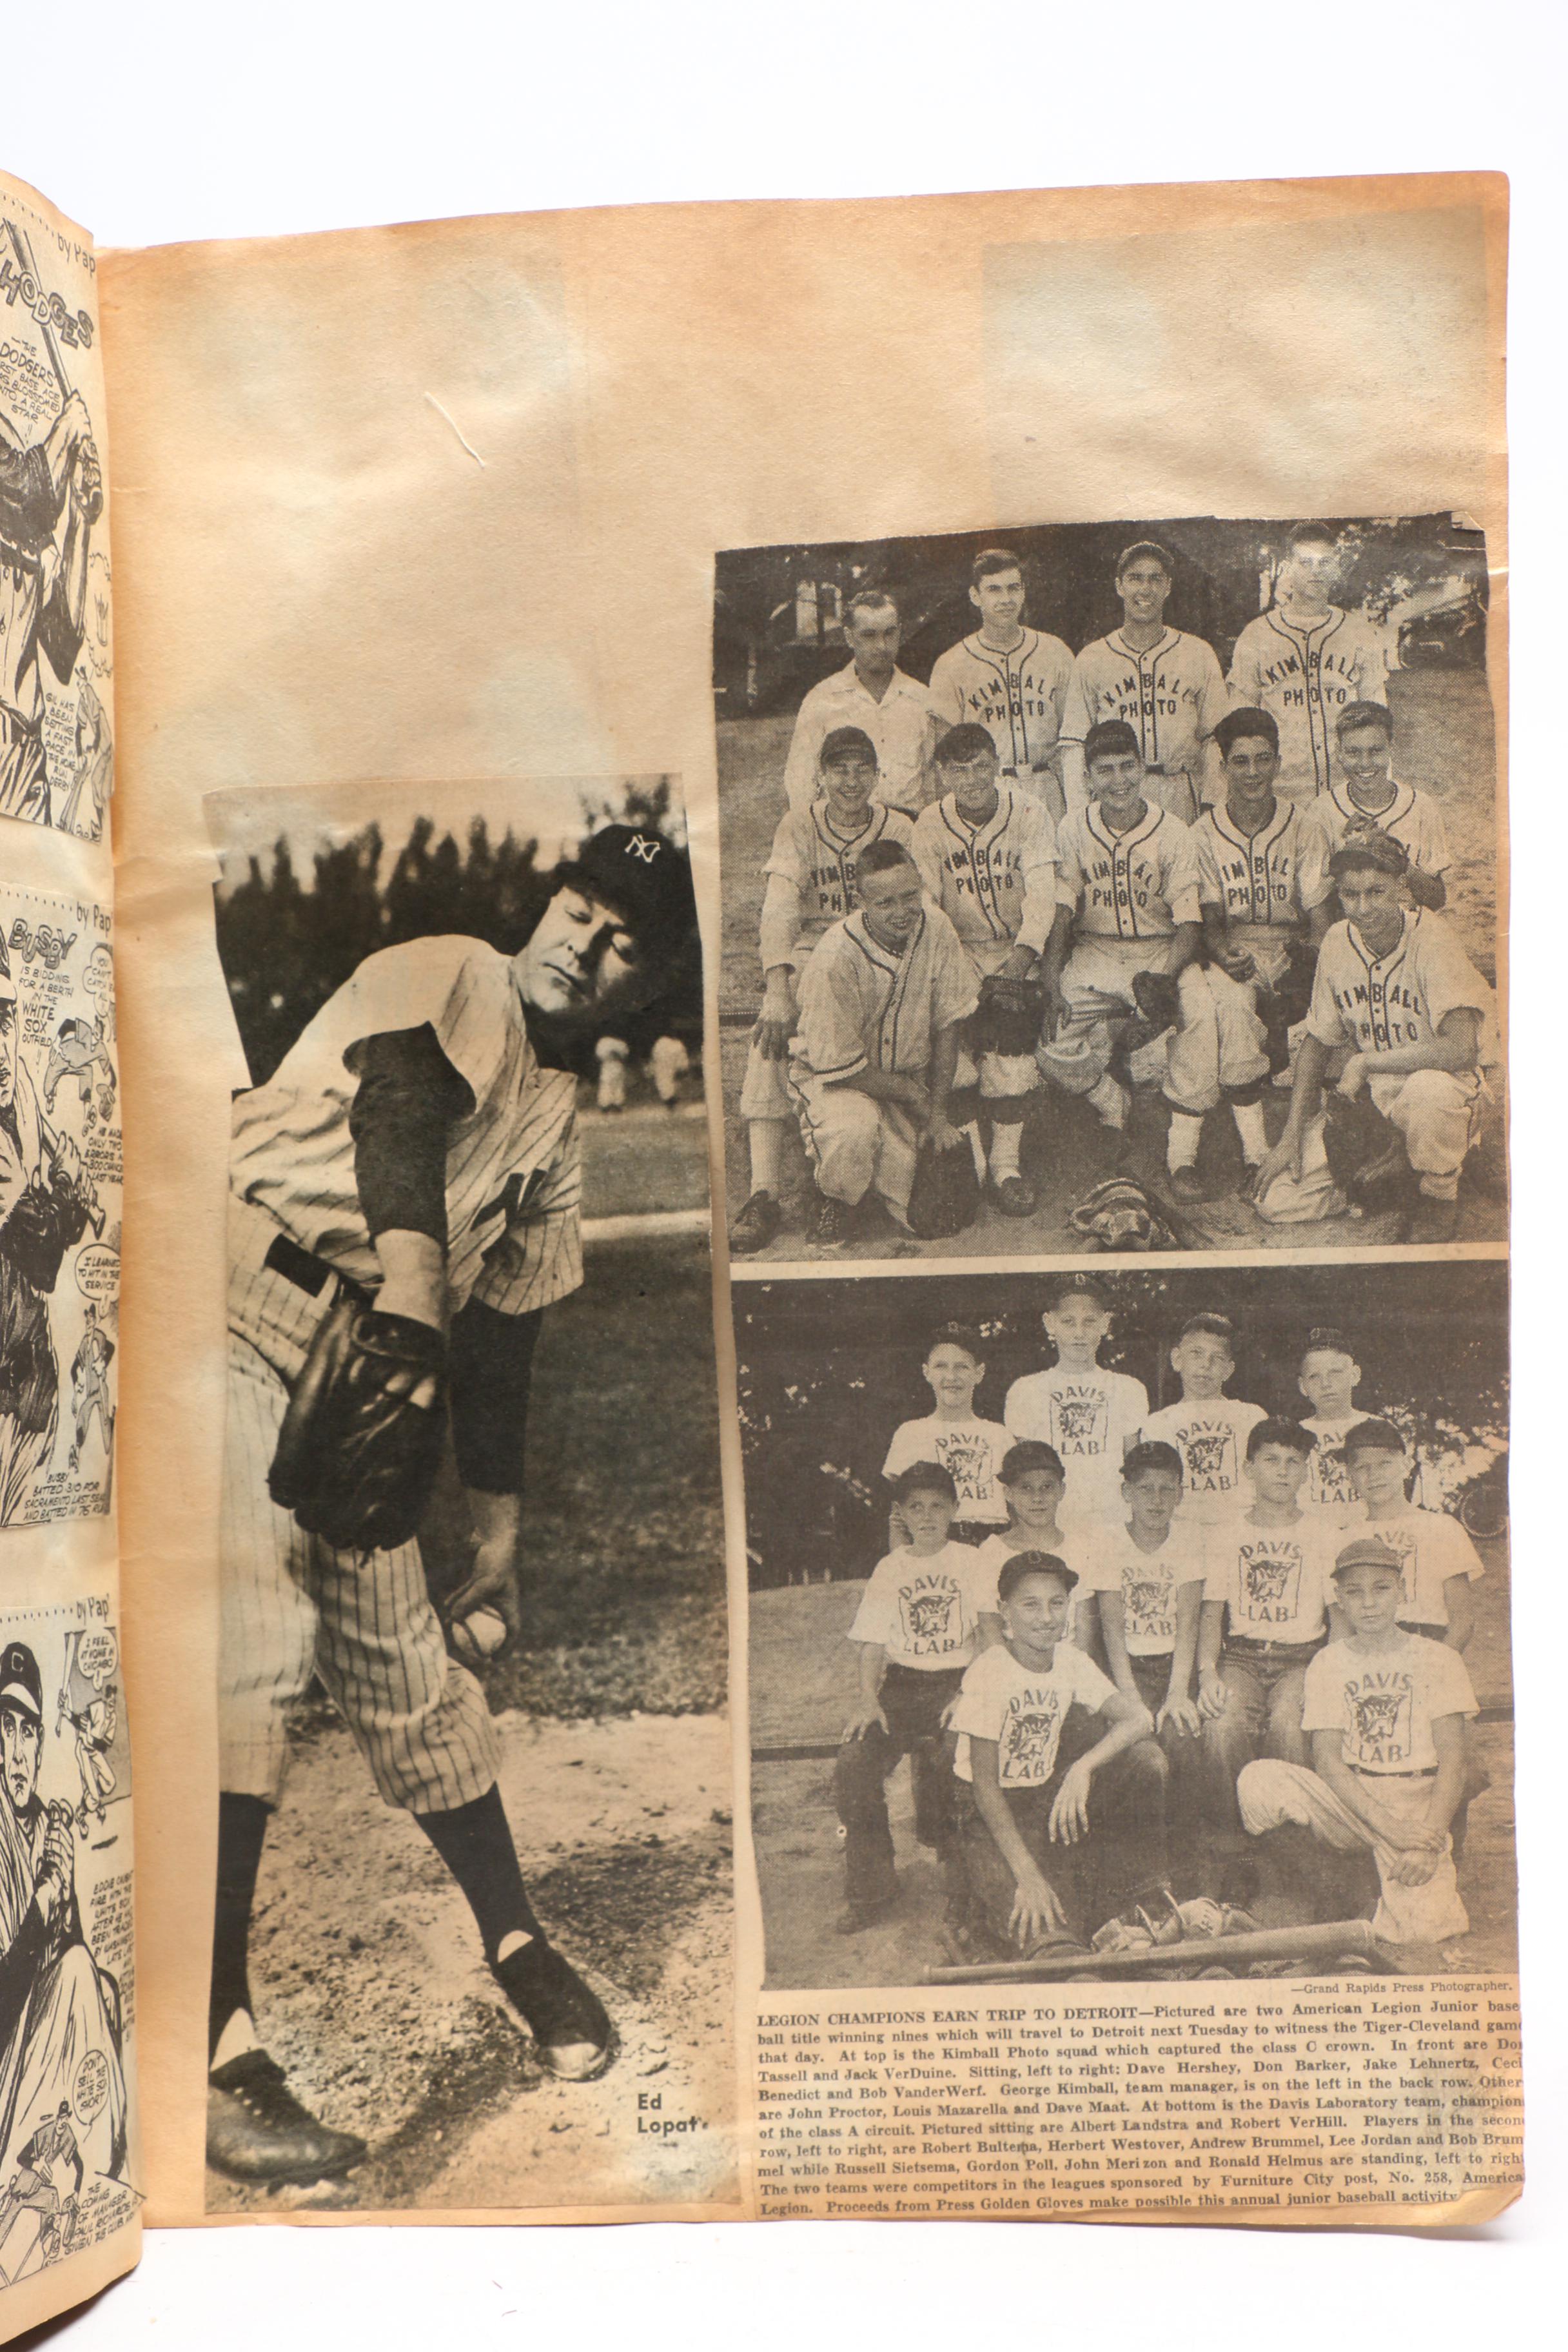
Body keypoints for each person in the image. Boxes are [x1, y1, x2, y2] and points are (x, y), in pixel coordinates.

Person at [208, 823, 699, 2186]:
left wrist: (499, 1528)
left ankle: (517, 1942)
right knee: (251, 1650)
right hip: (239, 1300)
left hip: (377, 1357)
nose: (583, 944)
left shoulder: (556, 1116)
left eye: (618, 941)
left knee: (410, 1674)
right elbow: (399, 1113)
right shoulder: (451, 971)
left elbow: (511, 1332)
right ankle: (211, 2044)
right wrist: (417, 1307)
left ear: (637, 981)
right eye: (579, 907)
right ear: (545, 899)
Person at [1041, 720, 1258, 1195]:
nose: (1118, 781)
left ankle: (1182, 1156)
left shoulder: (1174, 832)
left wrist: (1160, 981)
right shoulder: (1073, 827)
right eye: (1105, 771)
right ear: (1088, 778)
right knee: (1049, 1037)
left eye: (1126, 767)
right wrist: (1050, 976)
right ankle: (1110, 1099)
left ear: (1142, 767)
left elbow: (1188, 926)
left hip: (1163, 950)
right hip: (1097, 951)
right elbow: (1061, 910)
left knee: (1199, 1014)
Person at [1250, 831, 1499, 1244]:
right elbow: (1317, 1040)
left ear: (1401, 886)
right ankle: (1398, 1170)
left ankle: (1440, 1189)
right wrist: (1291, 1136)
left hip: (1448, 1085)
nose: (1363, 908)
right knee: (1278, 1202)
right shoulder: (1336, 941)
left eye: (1376, 892)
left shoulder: (1433, 939)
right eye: (1351, 895)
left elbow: (1461, 1048)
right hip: (1373, 1100)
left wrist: (1366, 1062)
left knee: (1426, 1096)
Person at [1237, 1538, 1476, 1946]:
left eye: (1381, 1588)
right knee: (1258, 1782)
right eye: (1354, 1591)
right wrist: (1387, 1828)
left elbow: (1455, 1761)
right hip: (1354, 1800)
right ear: (1340, 1600)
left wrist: (1427, 1839)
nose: (1368, 1603)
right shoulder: (1329, 1662)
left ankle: (1374, 1889)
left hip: (1415, 1797)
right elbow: (1328, 1761)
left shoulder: (1438, 1658)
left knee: (1420, 1933)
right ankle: (1331, 1885)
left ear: (1402, 1591)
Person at [730, 728, 915, 1254]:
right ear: (820, 775)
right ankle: (764, 1193)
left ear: (878, 776)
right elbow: (780, 906)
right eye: (840, 770)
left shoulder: (898, 825)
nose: (851, 782)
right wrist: (776, 987)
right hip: (816, 953)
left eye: (862, 770)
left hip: (883, 952)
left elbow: (926, 900)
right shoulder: (798, 825)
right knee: (771, 1035)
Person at [948, 1553, 1169, 1958]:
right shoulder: (990, 1670)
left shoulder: (1068, 1659)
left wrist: (1082, 1767)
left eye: (1057, 1602)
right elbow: (984, 1786)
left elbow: (1139, 1718)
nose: (1046, 1617)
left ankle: (1138, 1892)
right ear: (1005, 1612)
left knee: (1144, 1763)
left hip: (1043, 1798)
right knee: (1049, 1936)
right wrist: (1027, 1874)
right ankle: (978, 1904)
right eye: (1030, 1604)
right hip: (988, 1811)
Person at [834, 1464, 1002, 1935]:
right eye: (916, 1508)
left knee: (957, 1759)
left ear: (954, 1509)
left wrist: (969, 1693)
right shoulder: (891, 1568)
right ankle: (872, 1889)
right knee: (853, 1764)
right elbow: (871, 1644)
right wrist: (869, 1699)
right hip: (903, 1686)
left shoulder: (971, 1561)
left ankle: (964, 1889)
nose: (927, 1517)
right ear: (901, 1514)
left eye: (937, 1506)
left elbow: (990, 1638)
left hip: (959, 1681)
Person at [785, 839, 977, 1248]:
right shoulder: (836, 955)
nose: (902, 911)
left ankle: (870, 1183)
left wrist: (938, 1112)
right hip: (840, 1082)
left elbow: (949, 1023)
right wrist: (916, 1097)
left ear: (922, 885)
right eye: (885, 902)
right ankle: (831, 1198)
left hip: (905, 1076)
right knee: (853, 1132)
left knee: (926, 1218)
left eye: (910, 895)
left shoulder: (937, 926)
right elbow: (843, 1067)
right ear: (861, 901)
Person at [1181, 707, 1336, 1193]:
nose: (1252, 773)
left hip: (1291, 945)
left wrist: (1308, 958)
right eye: (1240, 761)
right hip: (1236, 946)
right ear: (1223, 767)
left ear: (1279, 762)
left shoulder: (1304, 825)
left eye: (1262, 760)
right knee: (1225, 1004)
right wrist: (1225, 953)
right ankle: (1244, 1152)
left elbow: (1322, 919)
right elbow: (1208, 921)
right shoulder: (1203, 833)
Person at [910, 723, 1057, 1213]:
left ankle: (1006, 1166)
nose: (970, 779)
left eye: (979, 766)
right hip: (957, 949)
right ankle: (972, 1164)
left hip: (1017, 948)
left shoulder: (1030, 810)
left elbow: (1043, 892)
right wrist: (953, 971)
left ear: (997, 763)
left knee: (1012, 1050)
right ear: (942, 775)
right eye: (957, 770)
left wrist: (1022, 959)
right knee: (956, 1056)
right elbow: (927, 905)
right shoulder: (930, 823)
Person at [0, 1644, 128, 2184]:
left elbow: (66, 1952)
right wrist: (42, 1907)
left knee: (98, 1982)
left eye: (28, 1730)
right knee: (79, 1972)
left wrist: (63, 1896)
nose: (17, 1750)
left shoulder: (47, 1826)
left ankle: (89, 2167)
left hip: (40, 2062)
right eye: (4, 1727)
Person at [1195, 1421, 1341, 1886]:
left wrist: (1327, 1673)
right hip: (1240, 1657)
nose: (1282, 1472)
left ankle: (1293, 1856)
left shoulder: (1322, 1532)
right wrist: (1206, 1673)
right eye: (1271, 1461)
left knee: (1289, 1726)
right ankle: (1232, 1853)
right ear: (1249, 1468)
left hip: (1304, 1658)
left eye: (1293, 1462)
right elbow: (1211, 1611)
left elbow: (1337, 1616)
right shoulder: (1226, 1532)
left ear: (1305, 1473)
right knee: (1222, 1726)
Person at [1073, 1444, 1207, 1854]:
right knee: (1145, 1757)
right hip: (1124, 1668)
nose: (1156, 1500)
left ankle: (1189, 1861)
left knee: (1186, 1742)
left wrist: (1177, 1693)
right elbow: (1111, 1627)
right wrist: (1128, 1693)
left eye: (1167, 1489)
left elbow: (1188, 1623)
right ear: (1126, 1492)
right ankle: (1145, 1863)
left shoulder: (1189, 1540)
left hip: (1172, 1668)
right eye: (1145, 1489)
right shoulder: (1109, 1541)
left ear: (1181, 1493)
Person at [0, 937, 91, 1522]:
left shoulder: (23, 1085)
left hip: (25, 1362)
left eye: (3, 1017)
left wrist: (62, 1182)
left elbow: (67, 1169)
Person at [1058, 540, 1229, 822]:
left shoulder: (1197, 653)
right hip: (1116, 795)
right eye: (1135, 578)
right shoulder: (1093, 658)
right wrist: (1080, 814)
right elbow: (1075, 743)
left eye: (1155, 579)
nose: (1145, 589)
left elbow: (1217, 737)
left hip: (1180, 790)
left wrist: (1213, 801)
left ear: (1168, 587)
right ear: (1119, 586)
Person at [1226, 523, 1388, 802]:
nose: (1316, 571)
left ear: (1335, 567)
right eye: (1306, 563)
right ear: (1290, 567)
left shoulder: (1360, 634)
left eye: (1324, 562)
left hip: (1348, 792)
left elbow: (1382, 725)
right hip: (1282, 795)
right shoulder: (1257, 635)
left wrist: (1382, 792)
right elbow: (1238, 728)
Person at [0, 391, 102, 827]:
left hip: (26, 748)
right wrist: (70, 427)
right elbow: (26, 488)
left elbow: (62, 647)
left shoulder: (29, 537)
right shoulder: (21, 493)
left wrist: (79, 515)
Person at [926, 550, 1073, 816]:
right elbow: (943, 759)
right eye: (994, 590)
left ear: (1024, 592)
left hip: (1046, 787)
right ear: (975, 596)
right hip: (986, 794)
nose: (1006, 599)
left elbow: (1072, 741)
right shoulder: (951, 664)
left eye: (1013, 588)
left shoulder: (1055, 652)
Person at [1003, 1276, 1149, 1533]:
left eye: (1090, 1322)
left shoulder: (1128, 1389)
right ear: (1050, 1323)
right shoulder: (1026, 1389)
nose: (1079, 1333)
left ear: (1105, 1323)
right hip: (1050, 1524)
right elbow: (1021, 1472)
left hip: (1111, 1523)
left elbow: (1134, 1467)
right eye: (1068, 1322)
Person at [782, 589, 935, 817]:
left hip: (907, 836)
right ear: (849, 637)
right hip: (845, 836)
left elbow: (934, 783)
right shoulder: (822, 700)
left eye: (890, 634)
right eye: (869, 635)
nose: (882, 646)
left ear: (900, 633)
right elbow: (800, 784)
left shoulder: (923, 700)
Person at [1338, 1418, 1485, 1651]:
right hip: (1369, 1651)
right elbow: (1343, 1625)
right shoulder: (1346, 1538)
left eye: (1384, 1463)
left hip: (1429, 1644)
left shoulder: (1442, 1528)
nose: (1374, 1475)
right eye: (1362, 1468)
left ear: (1406, 1465)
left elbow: (1463, 1620)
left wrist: (1437, 1668)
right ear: (1350, 1476)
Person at [882, 1324, 1012, 1546]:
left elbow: (1016, 1510)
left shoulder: (1000, 1435)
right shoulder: (911, 1433)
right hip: (935, 1542)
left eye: (962, 1367)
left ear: (979, 1373)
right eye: (941, 1366)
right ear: (927, 1372)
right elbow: (898, 1518)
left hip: (993, 1544)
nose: (951, 1376)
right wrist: (902, 1567)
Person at [1314, 703, 1451, 911]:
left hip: (1407, 930)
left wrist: (1401, 863)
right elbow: (1313, 905)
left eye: (1375, 751)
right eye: (1353, 752)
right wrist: (1347, 858)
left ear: (1390, 749)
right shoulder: (1321, 810)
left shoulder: (1422, 807)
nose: (1365, 763)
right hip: (1348, 934)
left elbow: (1437, 899)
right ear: (1339, 753)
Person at [1137, 1313, 1267, 1526]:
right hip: (1184, 1531)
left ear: (1228, 1370)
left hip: (1239, 1530)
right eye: (1196, 1354)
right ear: (1177, 1359)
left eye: (1216, 1358)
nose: (1206, 1365)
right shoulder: (1159, 1424)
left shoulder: (1251, 1416)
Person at [971, 1443, 1091, 1651]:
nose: (1037, 1498)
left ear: (1061, 1490)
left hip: (1067, 1670)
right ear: (1008, 1494)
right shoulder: (992, 1551)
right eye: (1026, 1488)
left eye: (1047, 1487)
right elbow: (989, 1630)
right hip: (1012, 1671)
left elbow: (1084, 1630)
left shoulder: (1079, 1547)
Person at [1295, 1327, 1371, 1513]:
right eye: (1314, 1376)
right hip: (1316, 1536)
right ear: (1303, 1386)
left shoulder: (1375, 1427)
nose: (1326, 1384)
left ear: (1355, 1375)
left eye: (1335, 1373)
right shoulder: (1296, 1434)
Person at [647, 1034, 689, 1108]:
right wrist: (683, 1066)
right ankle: (670, 1099)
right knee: (668, 1082)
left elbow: (655, 1056)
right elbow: (682, 1056)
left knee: (664, 1082)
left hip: (663, 1065)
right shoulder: (677, 1044)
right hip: (669, 1065)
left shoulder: (660, 1043)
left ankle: (670, 1099)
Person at [594, 1034, 630, 1111]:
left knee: (615, 1084)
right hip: (609, 1065)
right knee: (608, 1084)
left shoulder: (617, 1043)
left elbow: (625, 1055)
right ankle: (607, 1104)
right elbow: (599, 1055)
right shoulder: (605, 1042)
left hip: (615, 1065)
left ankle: (615, 1104)